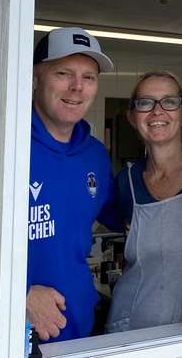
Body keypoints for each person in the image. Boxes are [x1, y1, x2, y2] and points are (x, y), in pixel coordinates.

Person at [106, 71, 182, 333]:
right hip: (131, 327)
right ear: (133, 117)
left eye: (169, 101)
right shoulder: (126, 181)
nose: (157, 111)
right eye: (145, 103)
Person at [27, 27, 116, 342]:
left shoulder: (94, 155)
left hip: (80, 328)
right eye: (63, 73)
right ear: (35, 78)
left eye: (89, 77)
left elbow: (125, 216)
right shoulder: (5, 147)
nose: (77, 87)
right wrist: (18, 292)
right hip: (18, 333)